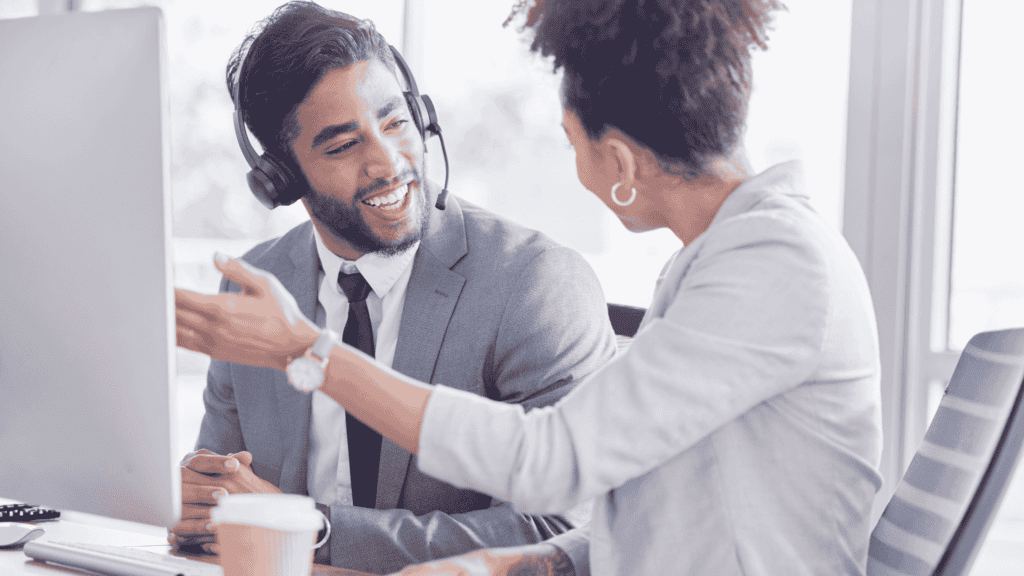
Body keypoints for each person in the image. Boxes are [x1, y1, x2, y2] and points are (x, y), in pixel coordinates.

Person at [176, 0, 885, 574]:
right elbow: (640, 507)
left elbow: (555, 463)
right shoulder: (727, 260)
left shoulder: (774, 260)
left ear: (617, 159)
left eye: (570, 140)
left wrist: (308, 351)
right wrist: (515, 568)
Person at [168, 2, 618, 573]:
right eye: (341, 145)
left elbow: (561, 526)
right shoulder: (254, 291)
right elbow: (222, 493)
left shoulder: (535, 283)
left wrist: (313, 528)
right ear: (280, 177)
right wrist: (199, 504)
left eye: (395, 121)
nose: (387, 163)